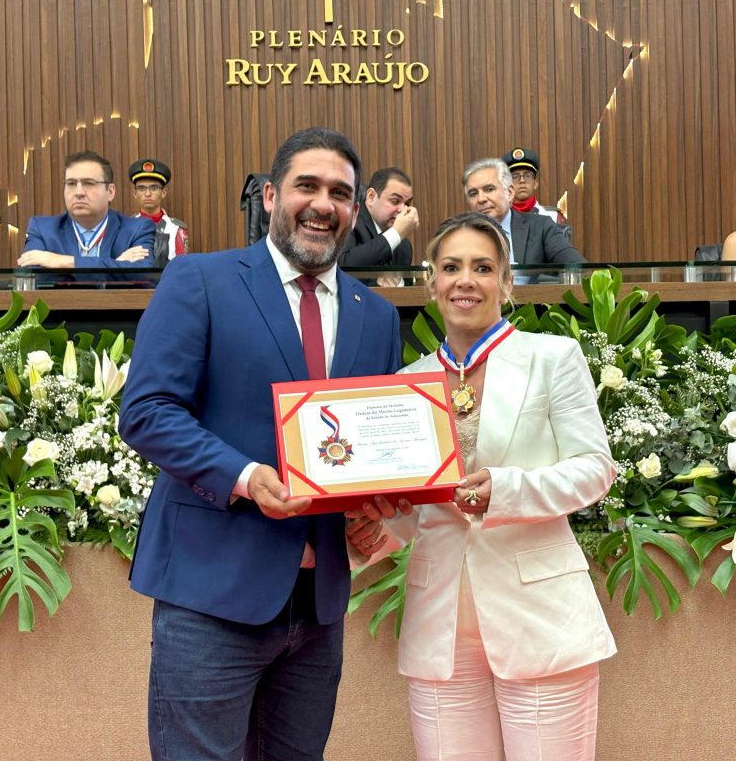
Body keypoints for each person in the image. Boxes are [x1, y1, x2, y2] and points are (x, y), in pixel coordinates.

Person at [118, 127, 402, 760]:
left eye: (340, 193)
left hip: (319, 607)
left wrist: (373, 506)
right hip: (211, 593)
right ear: (271, 196)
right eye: (307, 186)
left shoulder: (377, 315)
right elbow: (147, 411)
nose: (323, 204)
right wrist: (245, 477)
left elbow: (367, 445)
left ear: (355, 209)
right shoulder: (200, 280)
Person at [348, 212, 617, 761]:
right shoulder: (406, 385)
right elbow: (414, 508)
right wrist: (374, 529)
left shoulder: (551, 358)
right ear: (431, 283)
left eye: (482, 267)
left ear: (507, 282)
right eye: (451, 267)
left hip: (540, 617)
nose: (465, 280)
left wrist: (506, 489)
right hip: (440, 624)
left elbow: (595, 468)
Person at [18, 150, 155, 271]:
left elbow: (143, 274)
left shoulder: (137, 229)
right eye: (71, 183)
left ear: (110, 192)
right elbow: (32, 277)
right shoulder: (42, 229)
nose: (79, 192)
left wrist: (63, 262)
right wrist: (116, 265)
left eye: (89, 183)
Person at [462, 158, 585, 270]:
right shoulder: (461, 235)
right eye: (473, 193)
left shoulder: (541, 227)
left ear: (510, 192)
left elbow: (580, 268)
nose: (481, 199)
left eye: (489, 189)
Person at [339, 166, 418, 267]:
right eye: (395, 201)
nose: (403, 210)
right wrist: (395, 234)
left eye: (407, 203)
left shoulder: (403, 246)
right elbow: (343, 264)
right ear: (371, 197)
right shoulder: (349, 222)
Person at [502, 146, 572, 242]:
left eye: (527, 175)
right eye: (515, 176)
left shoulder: (553, 217)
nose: (522, 181)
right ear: (507, 185)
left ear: (535, 183)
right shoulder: (499, 219)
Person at [128, 158, 188, 266]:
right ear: (134, 193)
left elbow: (182, 266)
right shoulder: (126, 227)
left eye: (154, 188)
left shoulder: (175, 228)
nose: (147, 194)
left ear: (163, 192)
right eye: (141, 188)